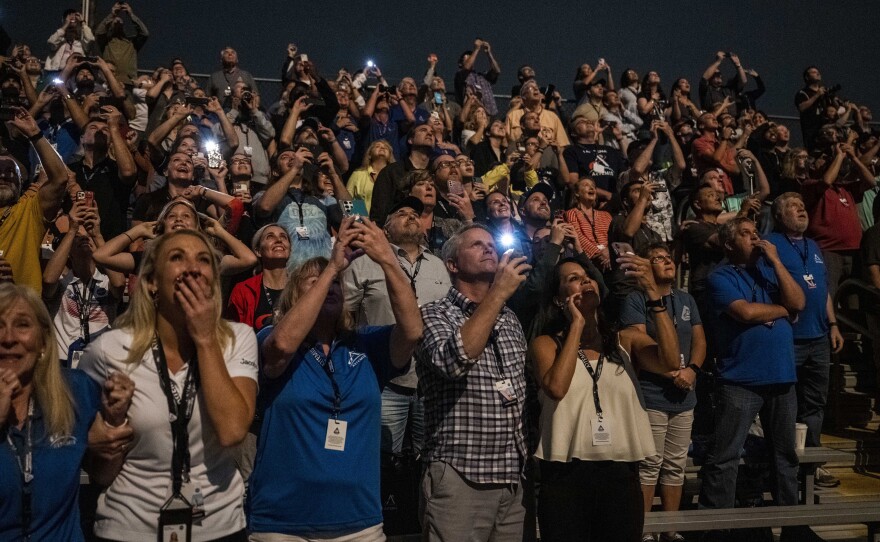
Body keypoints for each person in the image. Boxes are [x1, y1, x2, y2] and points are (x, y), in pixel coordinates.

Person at [79, 229, 259, 542]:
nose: (193, 267)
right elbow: (99, 473)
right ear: (151, 283)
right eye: (177, 258)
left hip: (218, 526)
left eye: (204, 260)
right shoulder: (108, 350)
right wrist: (109, 426)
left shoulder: (237, 339)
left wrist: (205, 338)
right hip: (130, 528)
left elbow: (232, 432)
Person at [248, 216, 422, 540]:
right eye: (311, 282)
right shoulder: (270, 336)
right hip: (282, 523)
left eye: (336, 284)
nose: (328, 286)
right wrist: (330, 269)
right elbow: (282, 346)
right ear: (292, 296)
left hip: (359, 523)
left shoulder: (366, 344)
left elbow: (412, 330)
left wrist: (386, 258)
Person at [529, 253, 682, 542]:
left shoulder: (625, 341)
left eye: (587, 276)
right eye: (573, 279)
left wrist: (653, 296)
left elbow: (671, 362)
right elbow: (557, 388)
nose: (585, 279)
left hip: (620, 475)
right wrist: (576, 323)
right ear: (557, 299)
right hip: (566, 477)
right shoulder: (546, 343)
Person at [416, 224, 531, 542]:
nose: (489, 248)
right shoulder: (432, 315)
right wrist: (497, 294)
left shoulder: (510, 320)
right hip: (460, 476)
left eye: (492, 244)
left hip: (511, 479)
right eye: (477, 245)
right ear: (452, 264)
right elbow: (453, 361)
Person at [697, 218, 807, 540]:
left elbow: (799, 301)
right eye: (746, 234)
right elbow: (744, 313)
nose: (755, 238)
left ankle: (793, 529)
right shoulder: (719, 277)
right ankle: (716, 532)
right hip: (740, 380)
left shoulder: (771, 272)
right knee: (725, 458)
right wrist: (782, 310)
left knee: (785, 457)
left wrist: (775, 260)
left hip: (782, 377)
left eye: (756, 233)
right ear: (729, 244)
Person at [0, 283, 133, 541]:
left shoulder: (75, 390)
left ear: (44, 341)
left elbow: (103, 474)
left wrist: (114, 422)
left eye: (23, 325)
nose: (8, 338)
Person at [344, 196, 451, 456]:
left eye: (415, 213)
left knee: (427, 461)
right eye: (401, 212)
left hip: (432, 385)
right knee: (379, 458)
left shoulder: (439, 266)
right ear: (385, 229)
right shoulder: (364, 262)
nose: (411, 215)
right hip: (383, 382)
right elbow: (345, 316)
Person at [618, 244, 706, 542]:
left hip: (684, 396)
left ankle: (669, 529)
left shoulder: (686, 299)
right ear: (646, 266)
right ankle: (643, 531)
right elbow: (638, 343)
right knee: (649, 464)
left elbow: (699, 339)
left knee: (675, 464)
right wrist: (671, 373)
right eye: (658, 258)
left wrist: (692, 369)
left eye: (669, 257)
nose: (667, 261)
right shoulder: (636, 299)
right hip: (653, 393)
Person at [765, 192, 845, 488]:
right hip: (789, 340)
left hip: (820, 338)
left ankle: (813, 464)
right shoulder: (771, 244)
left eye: (802, 205)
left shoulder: (813, 245)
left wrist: (834, 323)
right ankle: (785, 467)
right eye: (793, 207)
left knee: (815, 404)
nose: (801, 209)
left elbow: (821, 288)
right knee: (786, 405)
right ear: (779, 215)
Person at [42, 199, 125, 366]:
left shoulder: (106, 282)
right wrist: (72, 229)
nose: (84, 239)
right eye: (78, 237)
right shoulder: (62, 284)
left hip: (100, 363)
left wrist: (97, 234)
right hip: (64, 364)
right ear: (68, 251)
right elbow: (48, 280)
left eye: (88, 237)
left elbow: (119, 283)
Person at [0, 109, 69, 294]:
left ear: (21, 185)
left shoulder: (28, 209)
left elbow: (60, 178)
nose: (4, 176)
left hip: (22, 312)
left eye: (11, 173)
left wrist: (35, 135)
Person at [225, 224, 291, 333]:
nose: (279, 240)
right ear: (258, 251)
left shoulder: (301, 287)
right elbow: (235, 336)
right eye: (270, 236)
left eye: (283, 237)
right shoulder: (243, 290)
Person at [566, 177, 613, 272]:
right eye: (586, 185)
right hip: (589, 261)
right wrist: (598, 254)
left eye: (593, 186)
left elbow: (613, 237)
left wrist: (609, 252)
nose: (591, 188)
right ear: (577, 193)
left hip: (610, 259)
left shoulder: (606, 215)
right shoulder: (571, 213)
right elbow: (577, 236)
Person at [346, 140, 395, 213]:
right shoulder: (358, 174)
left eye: (386, 147)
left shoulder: (395, 176)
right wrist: (363, 220)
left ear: (390, 156)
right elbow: (347, 200)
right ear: (369, 154)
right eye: (377, 146)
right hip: (361, 221)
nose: (382, 148)